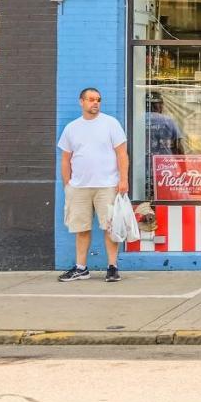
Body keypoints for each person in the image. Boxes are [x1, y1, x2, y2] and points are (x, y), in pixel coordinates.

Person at [57, 87, 128, 282]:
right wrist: (67, 184)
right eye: (90, 99)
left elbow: (122, 154)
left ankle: (112, 267)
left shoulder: (110, 124)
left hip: (107, 185)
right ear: (81, 102)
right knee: (81, 228)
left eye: (98, 99)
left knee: (110, 228)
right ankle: (81, 268)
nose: (95, 103)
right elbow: (65, 158)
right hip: (79, 187)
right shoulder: (72, 128)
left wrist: (123, 180)